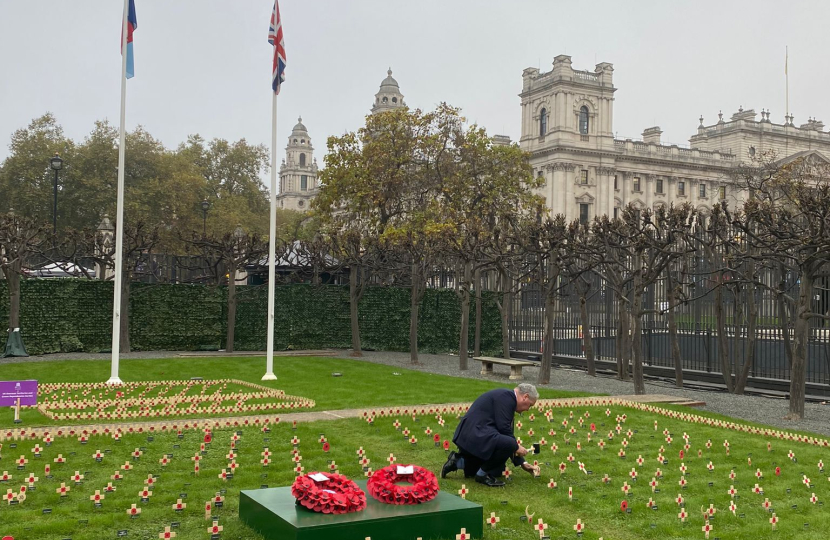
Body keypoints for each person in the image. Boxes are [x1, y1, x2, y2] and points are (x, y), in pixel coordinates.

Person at [441, 383, 539, 487]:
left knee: (497, 470)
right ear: (525, 397)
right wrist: (516, 447)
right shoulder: (507, 399)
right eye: (530, 405)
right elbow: (505, 431)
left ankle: (457, 461)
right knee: (509, 445)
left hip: (470, 436)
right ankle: (482, 475)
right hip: (475, 435)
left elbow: (507, 434)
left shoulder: (506, 397)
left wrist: (522, 463)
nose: (528, 409)